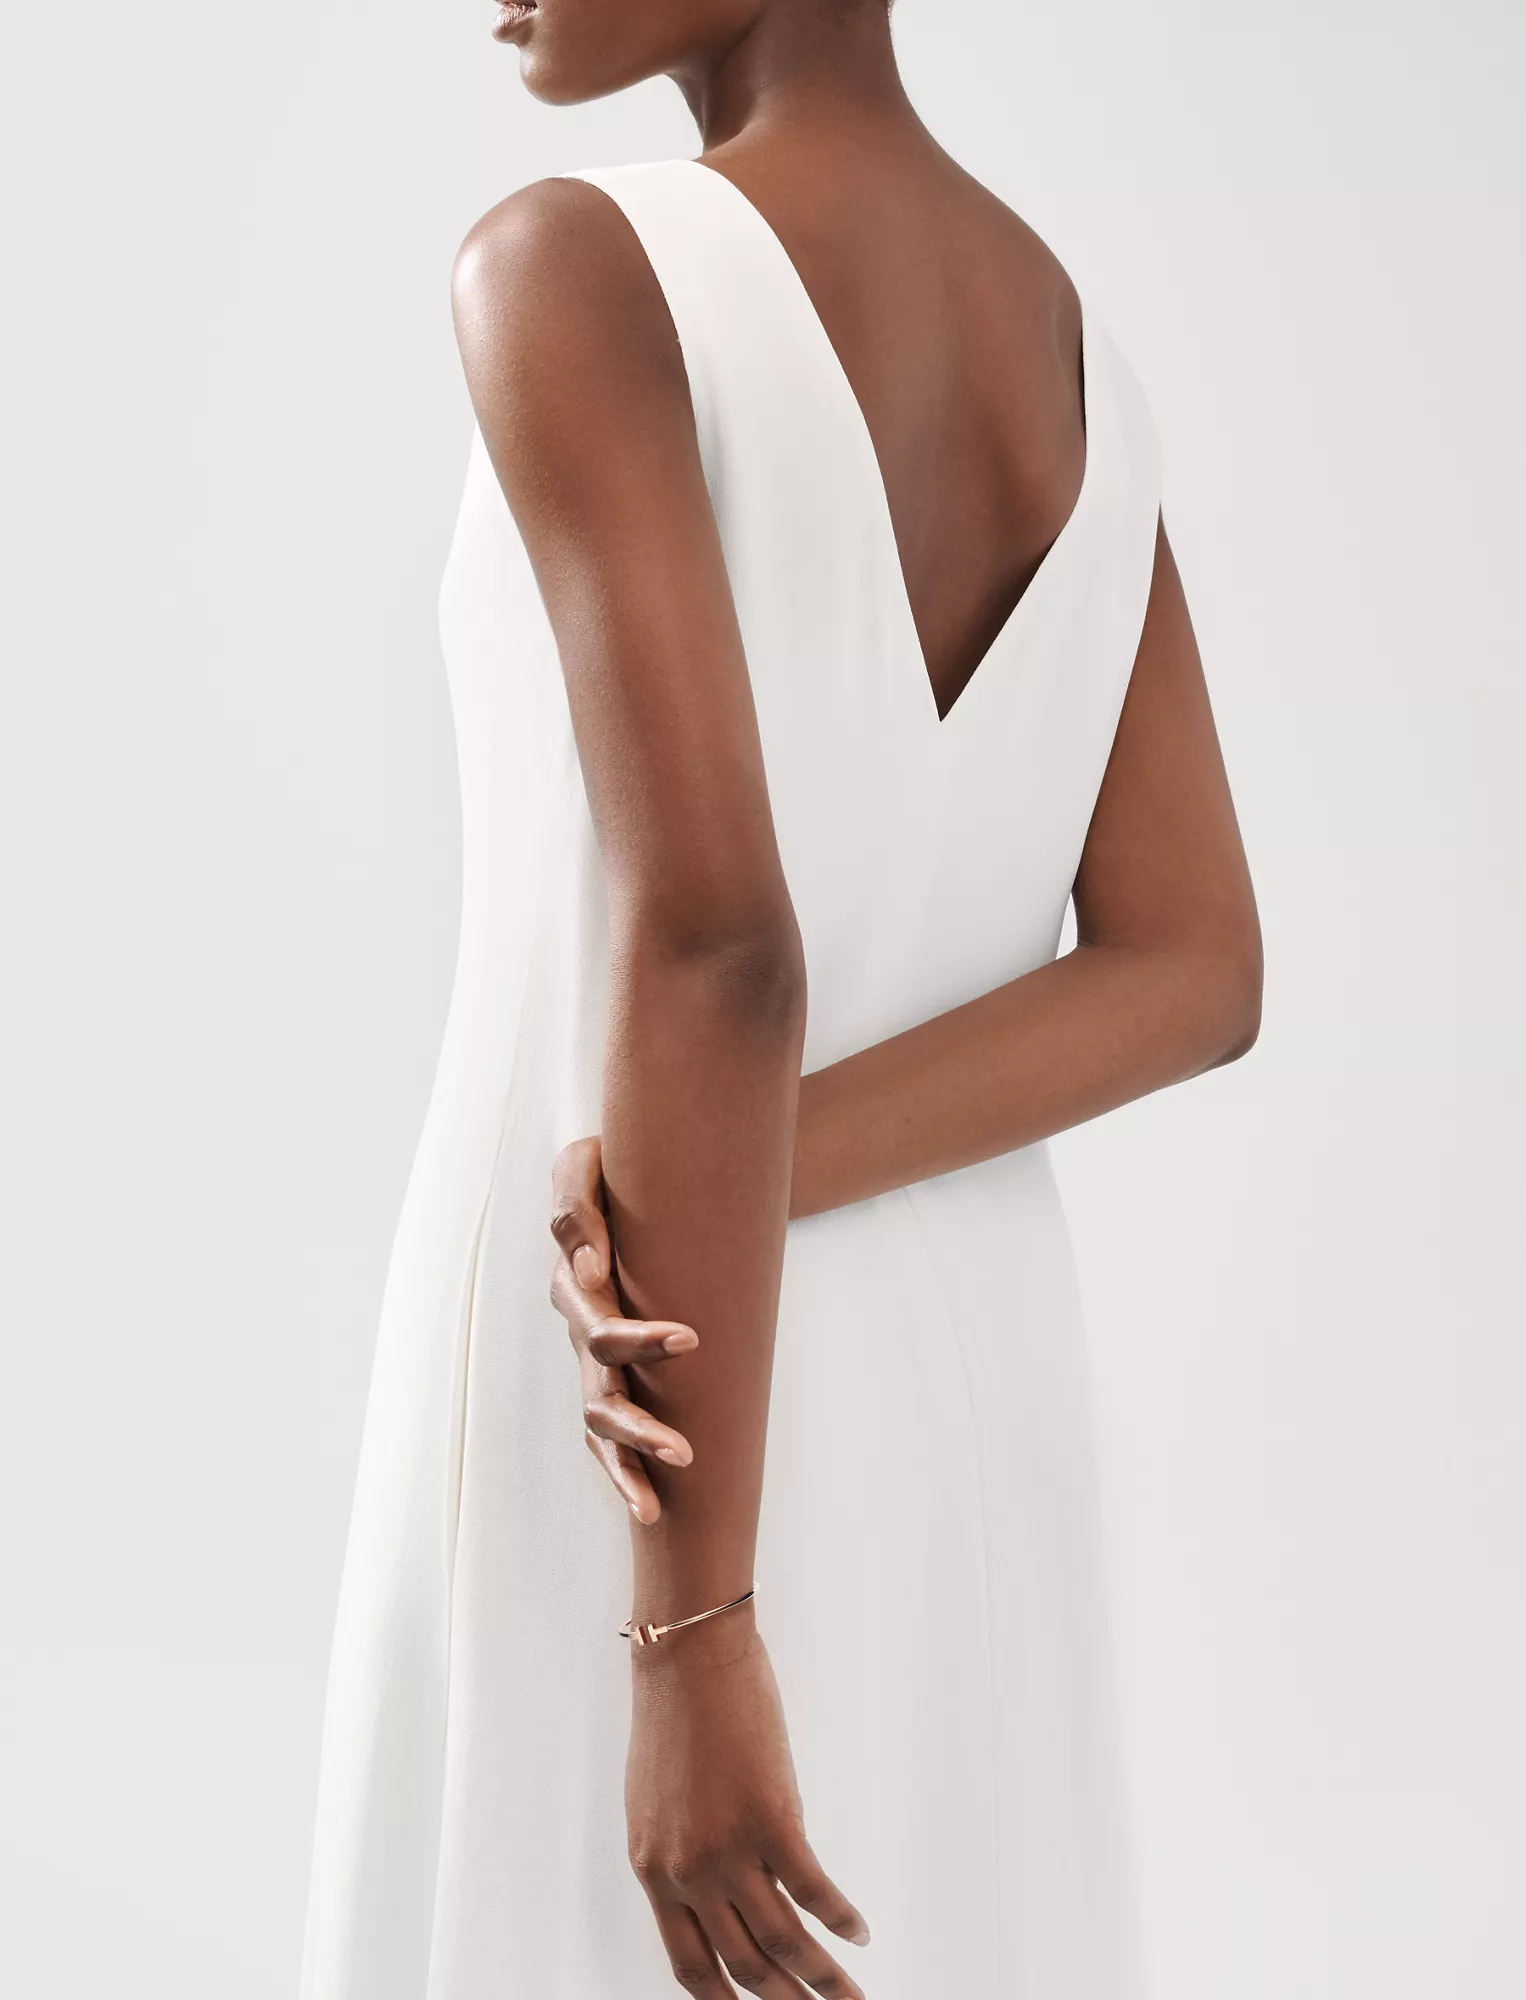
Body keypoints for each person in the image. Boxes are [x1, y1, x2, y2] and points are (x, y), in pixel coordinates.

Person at [300, 2, 1261, 1995]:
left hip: (630, 1406)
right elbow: (1193, 961)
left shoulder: (572, 269)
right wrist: (767, 1166)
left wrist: (688, 1633)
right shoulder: (1073, 351)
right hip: (967, 1403)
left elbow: (722, 943)